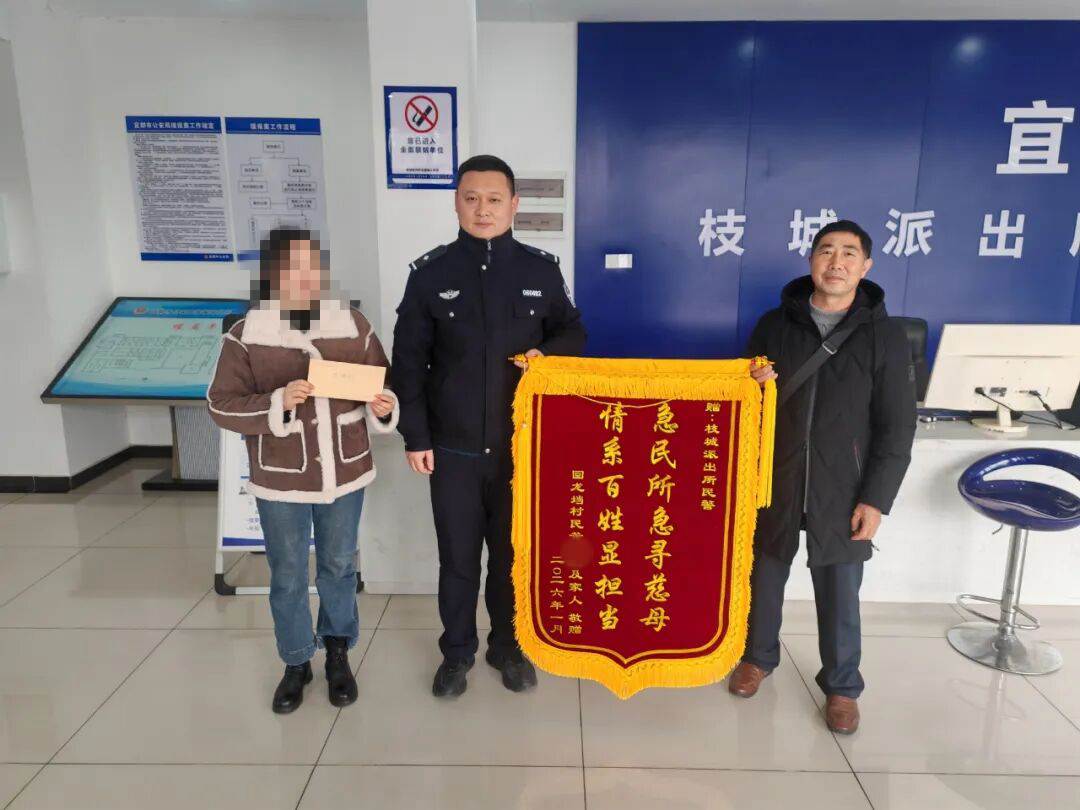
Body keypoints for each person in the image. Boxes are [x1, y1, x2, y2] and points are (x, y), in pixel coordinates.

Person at [392, 154, 587, 697]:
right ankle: (457, 654)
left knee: (511, 556)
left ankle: (508, 647)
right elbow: (407, 363)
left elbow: (574, 334)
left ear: (514, 204)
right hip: (451, 449)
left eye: (494, 199)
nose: (483, 209)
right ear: (456, 203)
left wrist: (546, 354)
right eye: (471, 198)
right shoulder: (430, 275)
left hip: (521, 448)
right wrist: (416, 436)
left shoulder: (540, 271)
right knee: (458, 560)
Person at [729, 220, 916, 734]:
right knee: (764, 573)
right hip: (776, 475)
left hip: (845, 483)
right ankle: (757, 657)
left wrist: (876, 499)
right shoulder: (775, 325)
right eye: (826, 250)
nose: (836, 262)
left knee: (840, 588)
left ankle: (842, 685)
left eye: (849, 253)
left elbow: (897, 425)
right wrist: (752, 383)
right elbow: (740, 402)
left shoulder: (885, 336)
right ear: (811, 259)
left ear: (866, 266)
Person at [207, 228, 399, 714]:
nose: (303, 277)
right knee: (288, 572)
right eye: (290, 268)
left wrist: (383, 405)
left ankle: (337, 651)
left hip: (344, 471)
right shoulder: (247, 334)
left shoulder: (352, 325)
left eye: (312, 266)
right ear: (271, 274)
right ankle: (295, 660)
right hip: (281, 476)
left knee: (339, 565)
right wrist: (277, 402)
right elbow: (220, 405)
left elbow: (383, 383)